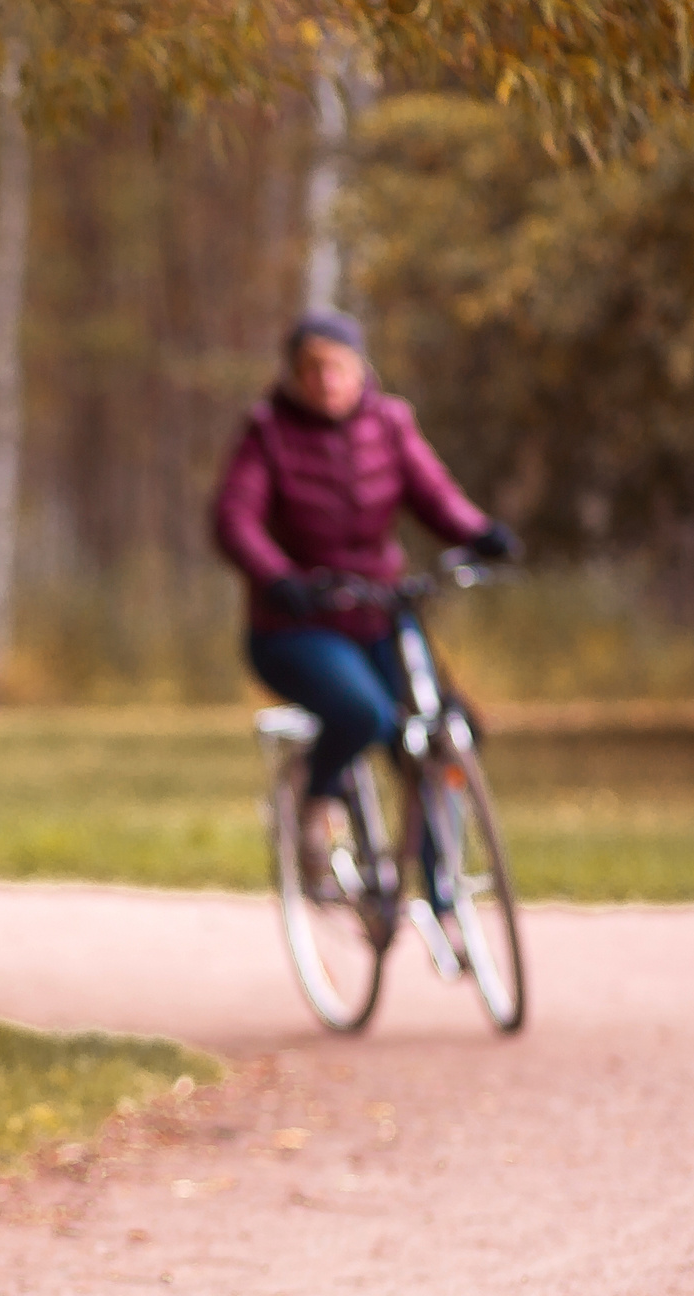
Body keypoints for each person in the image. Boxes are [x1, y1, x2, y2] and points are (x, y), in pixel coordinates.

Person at [211, 309, 517, 885]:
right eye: (313, 369)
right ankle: (313, 802)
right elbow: (234, 520)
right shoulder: (268, 432)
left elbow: (434, 493)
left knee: (434, 734)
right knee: (363, 714)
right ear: (295, 376)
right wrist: (279, 577)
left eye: (338, 367)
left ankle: (438, 886)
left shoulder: (390, 422)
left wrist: (478, 532)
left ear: (361, 368)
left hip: (380, 613)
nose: (327, 380)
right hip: (297, 623)